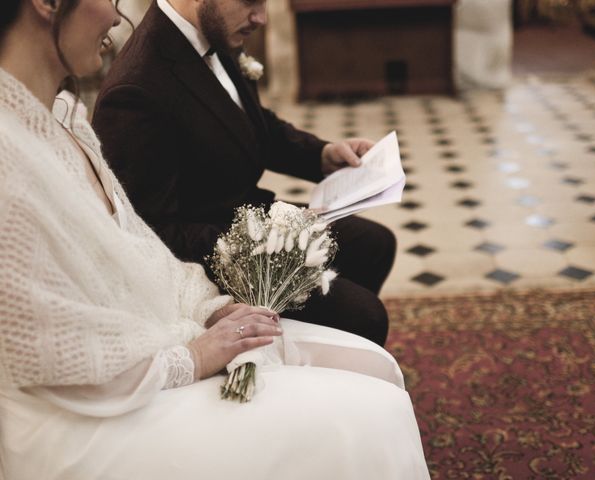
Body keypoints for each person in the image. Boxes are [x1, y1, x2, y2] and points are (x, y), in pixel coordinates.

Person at [0, 0, 430, 478]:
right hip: (110, 383)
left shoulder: (66, 116)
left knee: (373, 266)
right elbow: (65, 334)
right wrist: (195, 352)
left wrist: (209, 307)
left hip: (194, 279)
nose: (118, 16)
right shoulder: (125, 92)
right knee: (373, 396)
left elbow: (134, 241)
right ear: (45, 4)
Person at [91, 0, 396, 347]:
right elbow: (152, 232)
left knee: (375, 244)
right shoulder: (135, 89)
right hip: (214, 260)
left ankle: (337, 351)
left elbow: (249, 119)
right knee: (366, 314)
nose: (261, 18)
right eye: (250, 1)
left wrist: (321, 155)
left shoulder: (211, 32)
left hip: (248, 217)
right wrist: (270, 239)